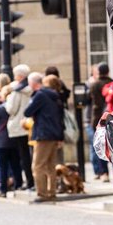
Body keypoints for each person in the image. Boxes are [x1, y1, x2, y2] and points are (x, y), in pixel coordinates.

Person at [25, 74, 66, 202]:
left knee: (38, 165)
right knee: (50, 165)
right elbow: (61, 118)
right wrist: (60, 137)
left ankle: (42, 194)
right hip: (54, 134)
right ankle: (51, 192)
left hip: (43, 134)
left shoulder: (40, 95)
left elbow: (27, 112)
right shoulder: (56, 96)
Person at [5, 66, 36, 189]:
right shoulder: (32, 90)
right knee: (31, 155)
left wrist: (7, 99)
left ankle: (28, 181)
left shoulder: (16, 91)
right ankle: (32, 181)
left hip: (19, 125)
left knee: (23, 156)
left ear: (20, 76)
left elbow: (11, 109)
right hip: (30, 124)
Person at [87, 63, 113, 182]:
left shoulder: (94, 84)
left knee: (101, 145)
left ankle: (104, 173)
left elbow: (89, 100)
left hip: (97, 117)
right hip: (111, 116)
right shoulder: (112, 83)